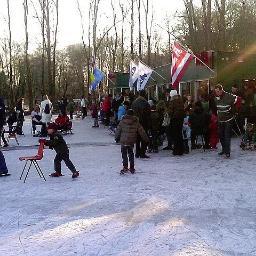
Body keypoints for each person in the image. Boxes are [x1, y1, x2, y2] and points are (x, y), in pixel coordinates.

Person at [115, 109, 149, 174]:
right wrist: (146, 139)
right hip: (131, 141)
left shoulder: (122, 121)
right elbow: (142, 131)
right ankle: (132, 167)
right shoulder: (136, 122)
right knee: (131, 154)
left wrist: (116, 137)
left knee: (124, 154)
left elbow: (118, 130)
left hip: (123, 141)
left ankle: (125, 167)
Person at [214, 84, 237, 158]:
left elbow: (237, 100)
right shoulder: (216, 97)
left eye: (218, 91)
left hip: (228, 119)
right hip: (220, 119)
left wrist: (233, 112)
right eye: (215, 91)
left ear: (221, 90)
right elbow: (216, 107)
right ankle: (224, 149)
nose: (216, 93)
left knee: (227, 136)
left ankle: (227, 152)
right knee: (221, 135)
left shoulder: (229, 96)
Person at [131, 90, 151, 158]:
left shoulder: (134, 102)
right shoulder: (145, 103)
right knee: (144, 137)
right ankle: (142, 152)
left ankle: (137, 152)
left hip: (135, 122)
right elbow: (148, 114)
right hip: (143, 122)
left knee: (137, 138)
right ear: (144, 95)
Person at [167, 90, 185, 156]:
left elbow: (170, 111)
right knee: (179, 135)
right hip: (180, 120)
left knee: (175, 135)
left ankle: (176, 150)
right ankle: (181, 150)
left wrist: (169, 114)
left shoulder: (172, 102)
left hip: (174, 120)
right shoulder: (180, 101)